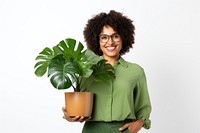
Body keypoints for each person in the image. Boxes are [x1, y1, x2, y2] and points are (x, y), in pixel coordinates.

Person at [63, 10, 152, 133]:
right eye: (104, 37)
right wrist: (69, 116)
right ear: (97, 40)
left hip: (123, 129)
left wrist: (138, 123)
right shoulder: (85, 70)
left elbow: (143, 106)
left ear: (123, 38)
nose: (110, 42)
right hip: (93, 129)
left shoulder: (136, 72)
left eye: (115, 36)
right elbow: (77, 105)